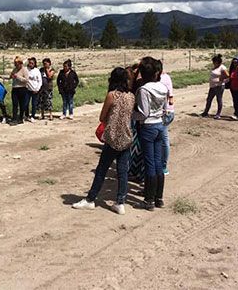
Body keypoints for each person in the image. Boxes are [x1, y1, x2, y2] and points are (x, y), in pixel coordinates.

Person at [72, 67, 135, 215]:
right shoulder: (131, 96)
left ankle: (90, 199)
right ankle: (120, 202)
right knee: (122, 171)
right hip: (126, 137)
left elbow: (102, 117)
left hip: (112, 138)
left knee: (101, 170)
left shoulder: (111, 95)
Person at [133, 57, 169, 211]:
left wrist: (131, 115)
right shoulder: (162, 87)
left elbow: (144, 113)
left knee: (149, 164)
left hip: (147, 127)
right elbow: (165, 108)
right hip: (160, 125)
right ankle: (158, 198)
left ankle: (148, 201)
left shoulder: (143, 90)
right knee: (158, 163)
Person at [201, 54, 228, 119]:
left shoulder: (222, 67)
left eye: (214, 62)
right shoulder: (215, 67)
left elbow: (227, 75)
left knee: (219, 99)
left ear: (218, 62)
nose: (213, 63)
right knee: (209, 99)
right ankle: (205, 112)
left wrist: (221, 78)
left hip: (219, 86)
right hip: (212, 86)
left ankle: (218, 114)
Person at [159, 67, 174, 175]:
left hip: (164, 113)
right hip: (168, 111)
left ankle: (162, 167)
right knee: (163, 140)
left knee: (163, 140)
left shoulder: (159, 79)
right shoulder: (167, 77)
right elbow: (170, 96)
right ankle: (163, 166)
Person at [10, 56, 29, 124]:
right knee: (15, 104)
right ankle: (14, 118)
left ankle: (21, 118)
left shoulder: (24, 70)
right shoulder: (14, 69)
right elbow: (11, 76)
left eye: (17, 64)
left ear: (20, 63)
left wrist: (17, 77)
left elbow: (26, 80)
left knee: (22, 104)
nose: (16, 65)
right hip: (15, 88)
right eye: (15, 64)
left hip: (22, 88)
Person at [26, 57, 42, 122]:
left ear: (35, 64)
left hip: (35, 90)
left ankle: (32, 116)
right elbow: (20, 64)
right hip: (27, 90)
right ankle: (26, 115)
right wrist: (26, 60)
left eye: (32, 63)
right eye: (30, 63)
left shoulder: (37, 70)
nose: (31, 64)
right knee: (26, 103)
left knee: (34, 104)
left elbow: (40, 81)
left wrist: (37, 89)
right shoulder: (26, 69)